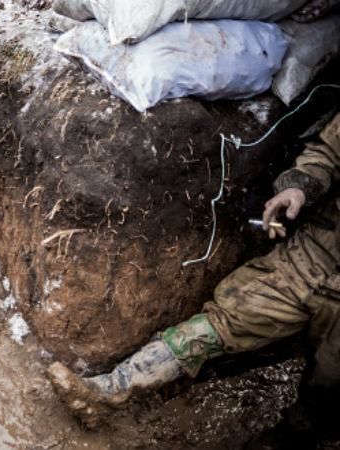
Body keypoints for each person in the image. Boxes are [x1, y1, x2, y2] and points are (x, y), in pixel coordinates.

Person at [46, 113, 340, 429]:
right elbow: (327, 153)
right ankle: (109, 391)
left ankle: (305, 430)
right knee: (224, 319)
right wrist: (299, 186)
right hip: (313, 258)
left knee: (327, 393)